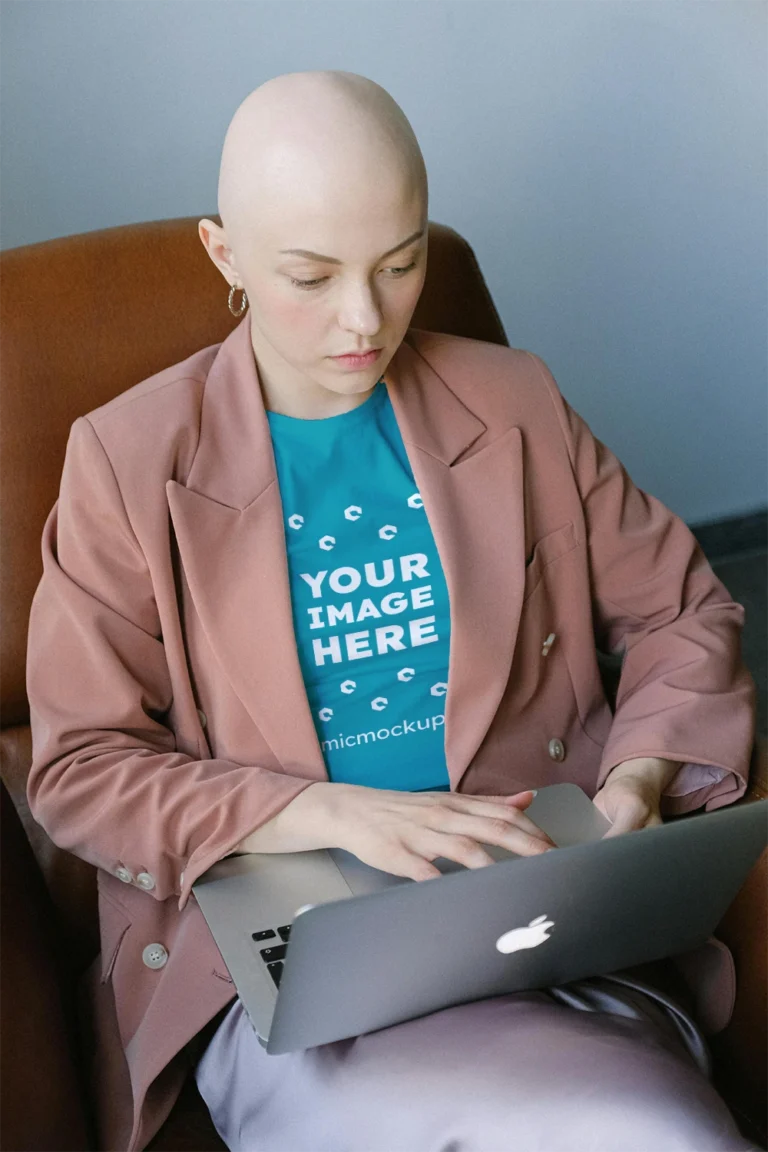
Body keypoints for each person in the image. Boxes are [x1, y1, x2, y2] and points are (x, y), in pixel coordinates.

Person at [25, 70, 757, 1152]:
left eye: (401, 262)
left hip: (539, 916)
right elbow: (79, 767)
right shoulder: (128, 461)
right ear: (224, 255)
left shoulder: (515, 402)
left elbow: (684, 614)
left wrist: (637, 781)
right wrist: (333, 813)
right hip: (294, 954)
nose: (364, 320)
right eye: (311, 277)